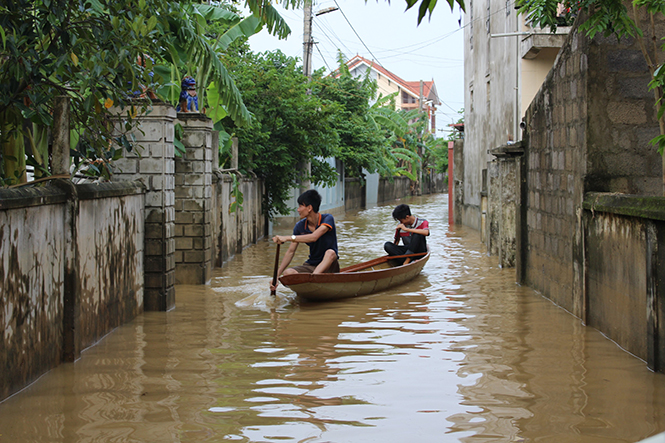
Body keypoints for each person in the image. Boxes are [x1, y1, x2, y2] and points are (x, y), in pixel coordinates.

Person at [270, 190, 339, 291]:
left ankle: (312, 280)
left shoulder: (327, 219)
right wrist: (276, 276)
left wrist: (288, 238)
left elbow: (314, 237)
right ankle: (309, 285)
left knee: (330, 252)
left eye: (300, 206)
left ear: (309, 208)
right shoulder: (300, 226)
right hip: (312, 265)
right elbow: (290, 252)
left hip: (329, 265)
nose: (298, 210)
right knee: (288, 273)